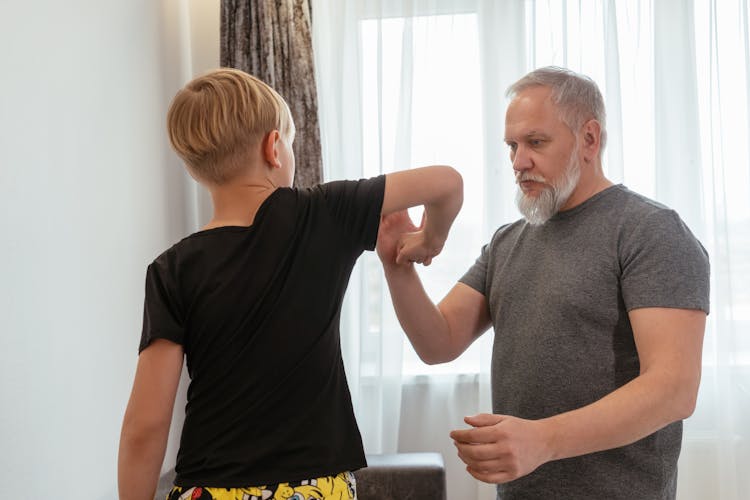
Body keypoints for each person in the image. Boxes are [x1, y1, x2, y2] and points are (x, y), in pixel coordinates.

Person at [117, 68, 463, 500]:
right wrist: (428, 242)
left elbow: (145, 426)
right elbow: (447, 183)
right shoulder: (325, 212)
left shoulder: (172, 269)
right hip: (314, 485)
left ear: (194, 168)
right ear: (274, 148)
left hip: (208, 487)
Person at [376, 66, 709, 499]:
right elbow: (437, 343)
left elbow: (673, 390)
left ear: (589, 139)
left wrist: (543, 440)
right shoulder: (507, 242)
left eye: (536, 142)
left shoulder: (651, 231)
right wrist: (396, 265)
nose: (518, 162)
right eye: (512, 146)